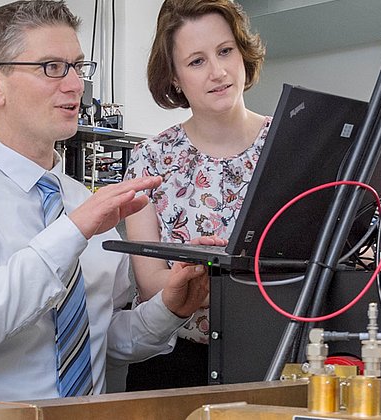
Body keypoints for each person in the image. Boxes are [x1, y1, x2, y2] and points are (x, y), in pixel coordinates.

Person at [0, 0, 209, 402]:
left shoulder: (80, 201)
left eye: (78, 66)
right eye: (51, 67)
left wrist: (170, 308)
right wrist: (73, 231)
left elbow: (101, 340)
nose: (76, 85)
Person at [124, 0, 271, 390]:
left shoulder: (291, 143)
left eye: (225, 51)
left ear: (243, 53)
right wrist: (192, 277)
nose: (218, 71)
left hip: (274, 359)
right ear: (174, 78)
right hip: (175, 366)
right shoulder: (149, 160)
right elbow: (150, 286)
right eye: (196, 61)